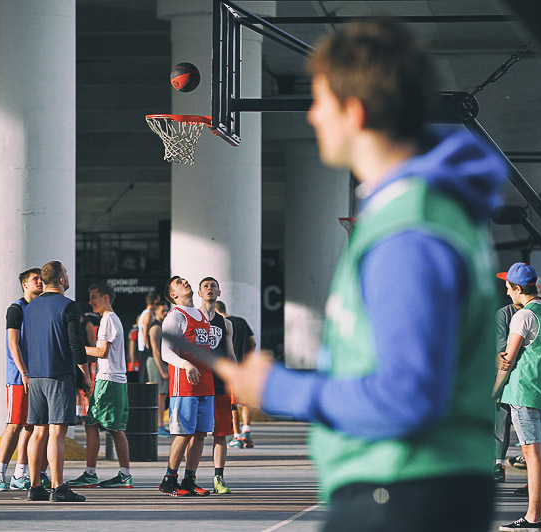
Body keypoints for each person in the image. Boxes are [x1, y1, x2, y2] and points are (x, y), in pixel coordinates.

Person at [213, 19, 507, 531]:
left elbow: (405, 397)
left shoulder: (408, 230)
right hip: (421, 486)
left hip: (400, 490)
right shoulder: (431, 213)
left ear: (355, 110)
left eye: (320, 101)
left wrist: (277, 389)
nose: (311, 115)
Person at [495, 262, 541, 531]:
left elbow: (507, 360)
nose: (507, 292)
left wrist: (495, 390)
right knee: (538, 453)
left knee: (530, 454)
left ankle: (532, 518)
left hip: (523, 390)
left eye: (508, 287)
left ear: (518, 288)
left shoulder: (522, 316)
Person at [22, 260, 91, 502]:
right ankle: (59, 487)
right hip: (59, 373)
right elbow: (76, 344)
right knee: (57, 433)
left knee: (38, 431)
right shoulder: (68, 306)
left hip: (36, 374)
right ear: (61, 279)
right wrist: (86, 374)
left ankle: (34, 486)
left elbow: (27, 342)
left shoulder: (29, 308)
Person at [0, 268, 49, 492]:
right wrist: (23, 371)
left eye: (42, 278)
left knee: (30, 426)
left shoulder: (41, 309)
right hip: (19, 377)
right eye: (35, 279)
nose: (40, 282)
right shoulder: (16, 309)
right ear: (24, 284)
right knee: (14, 424)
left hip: (38, 376)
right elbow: (13, 343)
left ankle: (20, 474)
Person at [68, 283, 133, 488]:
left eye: (94, 297)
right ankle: (94, 472)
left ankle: (121, 474)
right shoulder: (112, 319)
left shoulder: (108, 320)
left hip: (109, 379)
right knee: (94, 425)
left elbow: (102, 351)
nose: (90, 301)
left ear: (106, 298)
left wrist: (76, 348)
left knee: (113, 428)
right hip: (112, 379)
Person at [159, 276, 215, 497]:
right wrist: (186, 364)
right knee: (183, 433)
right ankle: (169, 479)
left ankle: (189, 479)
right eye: (178, 283)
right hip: (185, 385)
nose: (185, 282)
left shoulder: (202, 315)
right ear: (173, 295)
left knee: (200, 434)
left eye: (184, 280)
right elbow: (165, 352)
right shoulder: (175, 317)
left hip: (206, 382)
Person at [194, 278, 237, 494]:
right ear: (199, 293)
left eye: (213, 286)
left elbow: (230, 355)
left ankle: (218, 478)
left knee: (221, 434)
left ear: (219, 292)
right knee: (196, 434)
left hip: (219, 384)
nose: (209, 289)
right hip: (198, 383)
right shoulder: (191, 318)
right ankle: (189, 477)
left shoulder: (225, 323)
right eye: (205, 286)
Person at [214, 301, 257, 449]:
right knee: (245, 400)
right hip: (245, 367)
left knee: (232, 404)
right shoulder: (241, 321)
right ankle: (247, 429)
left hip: (232, 368)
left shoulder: (222, 324)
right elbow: (253, 342)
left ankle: (237, 436)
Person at [493, 292, 522, 483]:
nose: (507, 291)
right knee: (503, 422)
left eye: (509, 286)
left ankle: (498, 465)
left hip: (516, 378)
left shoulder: (506, 314)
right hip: (522, 377)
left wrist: (497, 385)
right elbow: (502, 352)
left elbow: (504, 354)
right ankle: (498, 464)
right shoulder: (539, 311)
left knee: (502, 424)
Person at [147, 300, 171, 434]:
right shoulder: (155, 327)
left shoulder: (163, 326)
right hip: (156, 362)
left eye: (167, 310)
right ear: (156, 312)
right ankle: (158, 426)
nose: (166, 312)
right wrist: (162, 370)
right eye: (163, 310)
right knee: (159, 395)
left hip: (162, 362)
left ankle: (160, 425)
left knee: (162, 395)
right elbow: (155, 350)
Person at [137, 292, 157, 382]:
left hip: (144, 347)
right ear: (156, 301)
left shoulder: (145, 313)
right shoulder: (148, 314)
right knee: (145, 374)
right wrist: (149, 348)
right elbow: (145, 333)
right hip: (145, 348)